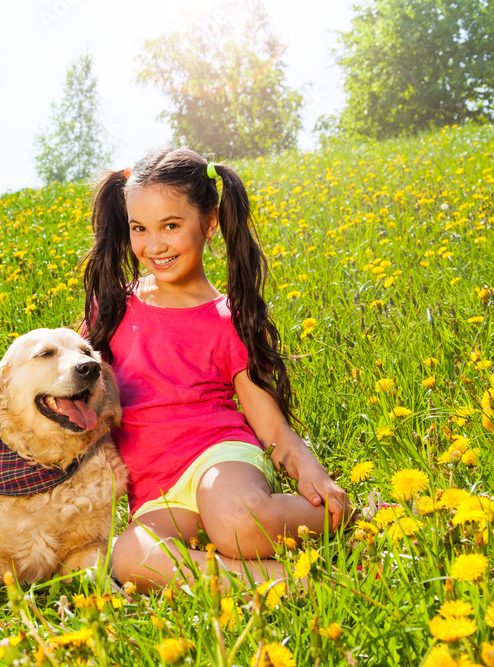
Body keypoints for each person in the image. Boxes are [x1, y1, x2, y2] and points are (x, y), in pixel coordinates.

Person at [79, 147, 352, 592]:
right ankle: (284, 582)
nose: (154, 245)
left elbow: (272, 427)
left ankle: (338, 514)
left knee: (237, 524)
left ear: (209, 224)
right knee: (130, 558)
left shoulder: (230, 319)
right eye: (139, 229)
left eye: (171, 225)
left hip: (219, 457)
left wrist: (309, 469)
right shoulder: (112, 308)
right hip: (157, 491)